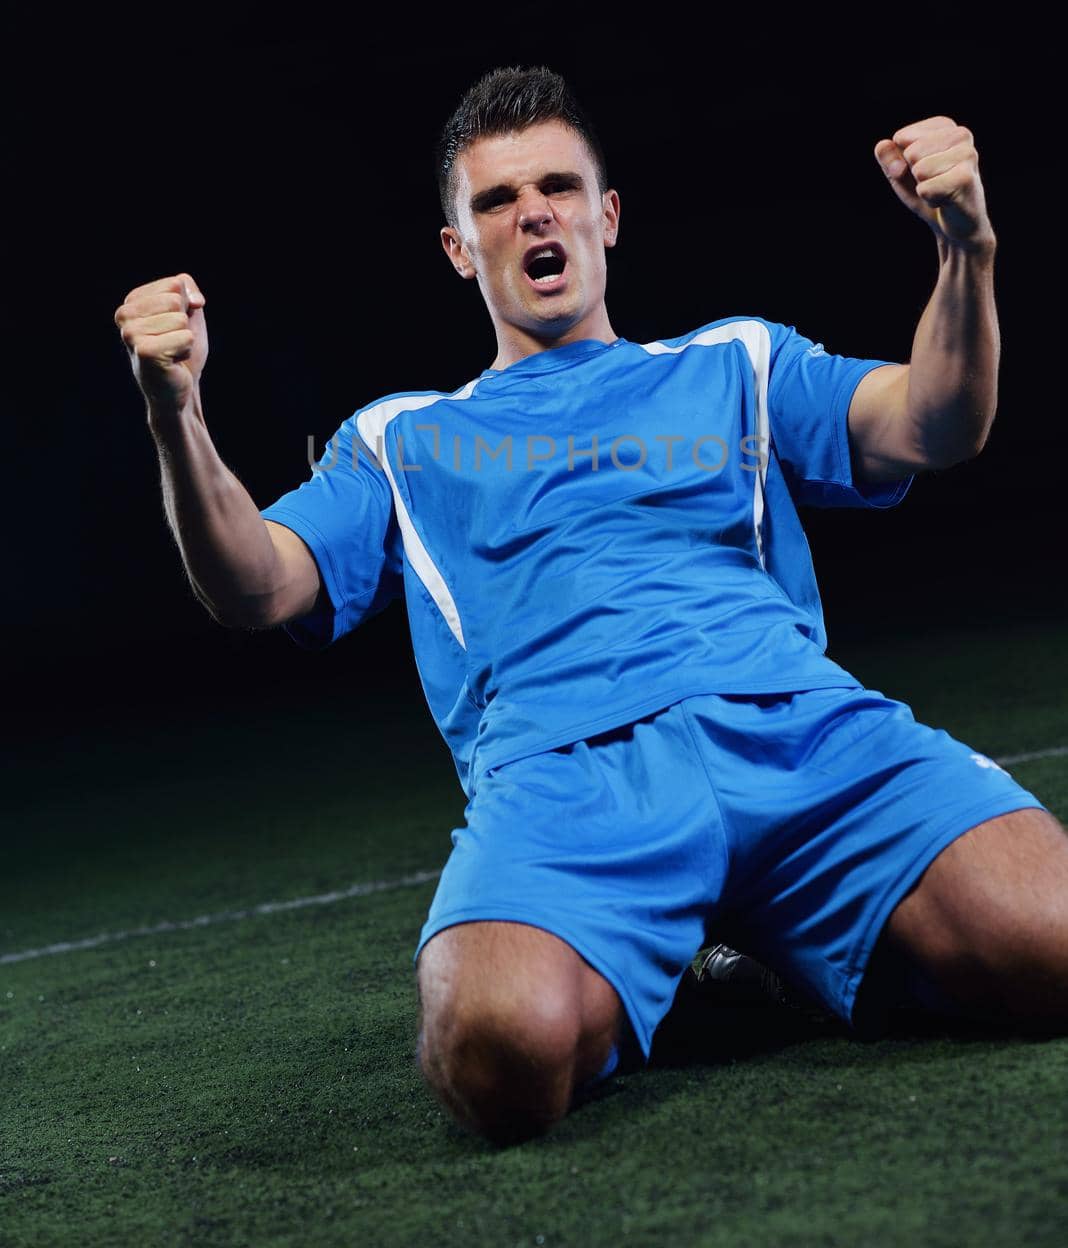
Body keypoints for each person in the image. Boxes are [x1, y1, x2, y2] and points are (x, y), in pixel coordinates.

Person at [115, 67, 1068, 1146]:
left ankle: (774, 942)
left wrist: (965, 249)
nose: (534, 213)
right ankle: (690, 959)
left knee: (1054, 939)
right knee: (494, 1056)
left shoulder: (737, 361)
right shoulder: (399, 438)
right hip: (569, 785)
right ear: (457, 249)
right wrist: (174, 414)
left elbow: (937, 421)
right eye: (494, 200)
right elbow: (254, 582)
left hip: (799, 736)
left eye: (559, 186)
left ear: (605, 217)